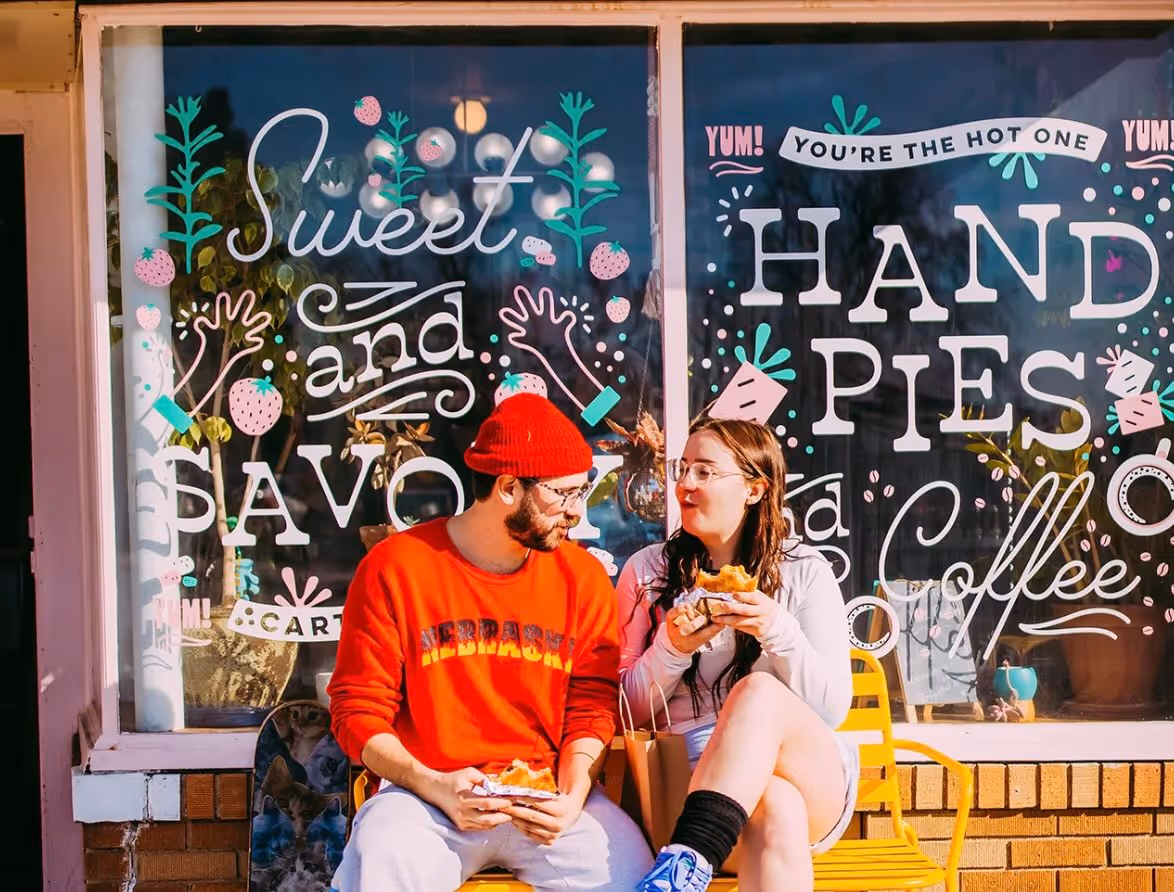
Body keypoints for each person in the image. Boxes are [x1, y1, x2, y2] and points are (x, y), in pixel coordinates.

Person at [327, 393, 653, 891]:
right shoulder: (396, 568)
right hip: (425, 798)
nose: (575, 511)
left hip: (544, 796)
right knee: (383, 854)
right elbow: (357, 711)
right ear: (507, 488)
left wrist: (572, 793)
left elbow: (591, 705)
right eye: (562, 495)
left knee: (629, 870)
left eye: (581, 491)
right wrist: (431, 782)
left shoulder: (582, 577)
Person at [620, 417, 858, 892]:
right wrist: (671, 648)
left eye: (705, 472)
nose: (685, 485)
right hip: (683, 785)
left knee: (759, 691)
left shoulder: (806, 573)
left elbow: (832, 709)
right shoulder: (647, 573)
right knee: (776, 808)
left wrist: (777, 630)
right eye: (683, 469)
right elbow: (625, 712)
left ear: (754, 489)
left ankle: (686, 861)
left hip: (813, 779)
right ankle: (691, 858)